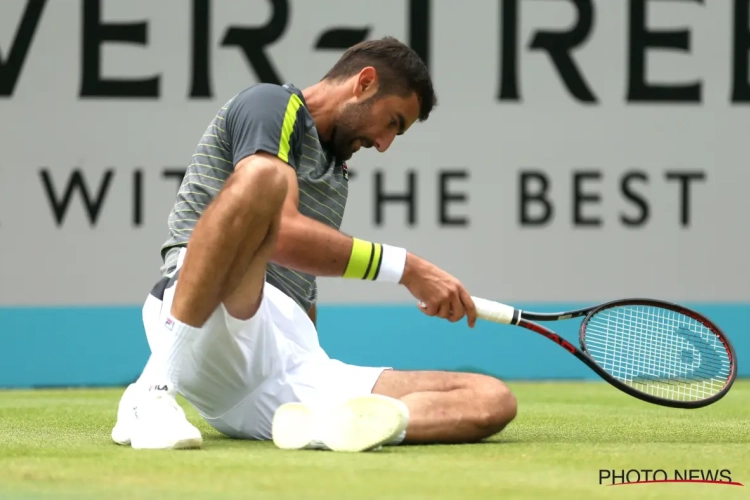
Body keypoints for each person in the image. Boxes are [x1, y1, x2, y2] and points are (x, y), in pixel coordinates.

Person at [111, 37, 517, 452]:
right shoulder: (270, 105)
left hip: (292, 366)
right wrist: (409, 269)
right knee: (262, 180)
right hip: (210, 317)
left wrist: (311, 360)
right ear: (365, 82)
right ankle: (155, 388)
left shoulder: (337, 171)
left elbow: (299, 287)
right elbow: (282, 236)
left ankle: (332, 429)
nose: (384, 143)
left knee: (491, 399)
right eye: (393, 121)